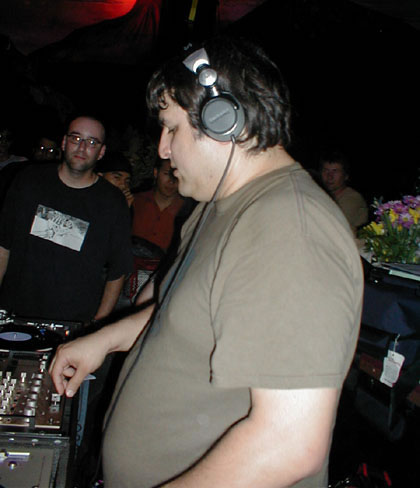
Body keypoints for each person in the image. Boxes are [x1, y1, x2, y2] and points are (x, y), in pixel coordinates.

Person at [50, 38, 363, 488]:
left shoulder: (290, 228)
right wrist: (105, 340)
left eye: (171, 129)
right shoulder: (218, 207)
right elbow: (182, 312)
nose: (162, 149)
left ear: (223, 120)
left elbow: (289, 443)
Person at [0, 116, 133, 324]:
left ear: (101, 152)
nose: (82, 147)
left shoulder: (112, 202)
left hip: (73, 323)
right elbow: (3, 246)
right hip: (15, 314)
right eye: (76, 138)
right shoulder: (29, 181)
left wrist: (99, 323)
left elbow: (118, 270)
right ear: (64, 143)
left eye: (92, 142)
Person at [131, 156, 186, 252]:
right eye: (166, 174)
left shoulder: (186, 210)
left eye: (176, 175)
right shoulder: (135, 201)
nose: (171, 181)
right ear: (156, 173)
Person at [319, 150, 369, 233]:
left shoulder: (352, 198)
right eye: (326, 171)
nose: (329, 176)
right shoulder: (320, 195)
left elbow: (333, 226)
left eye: (335, 171)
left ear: (346, 176)